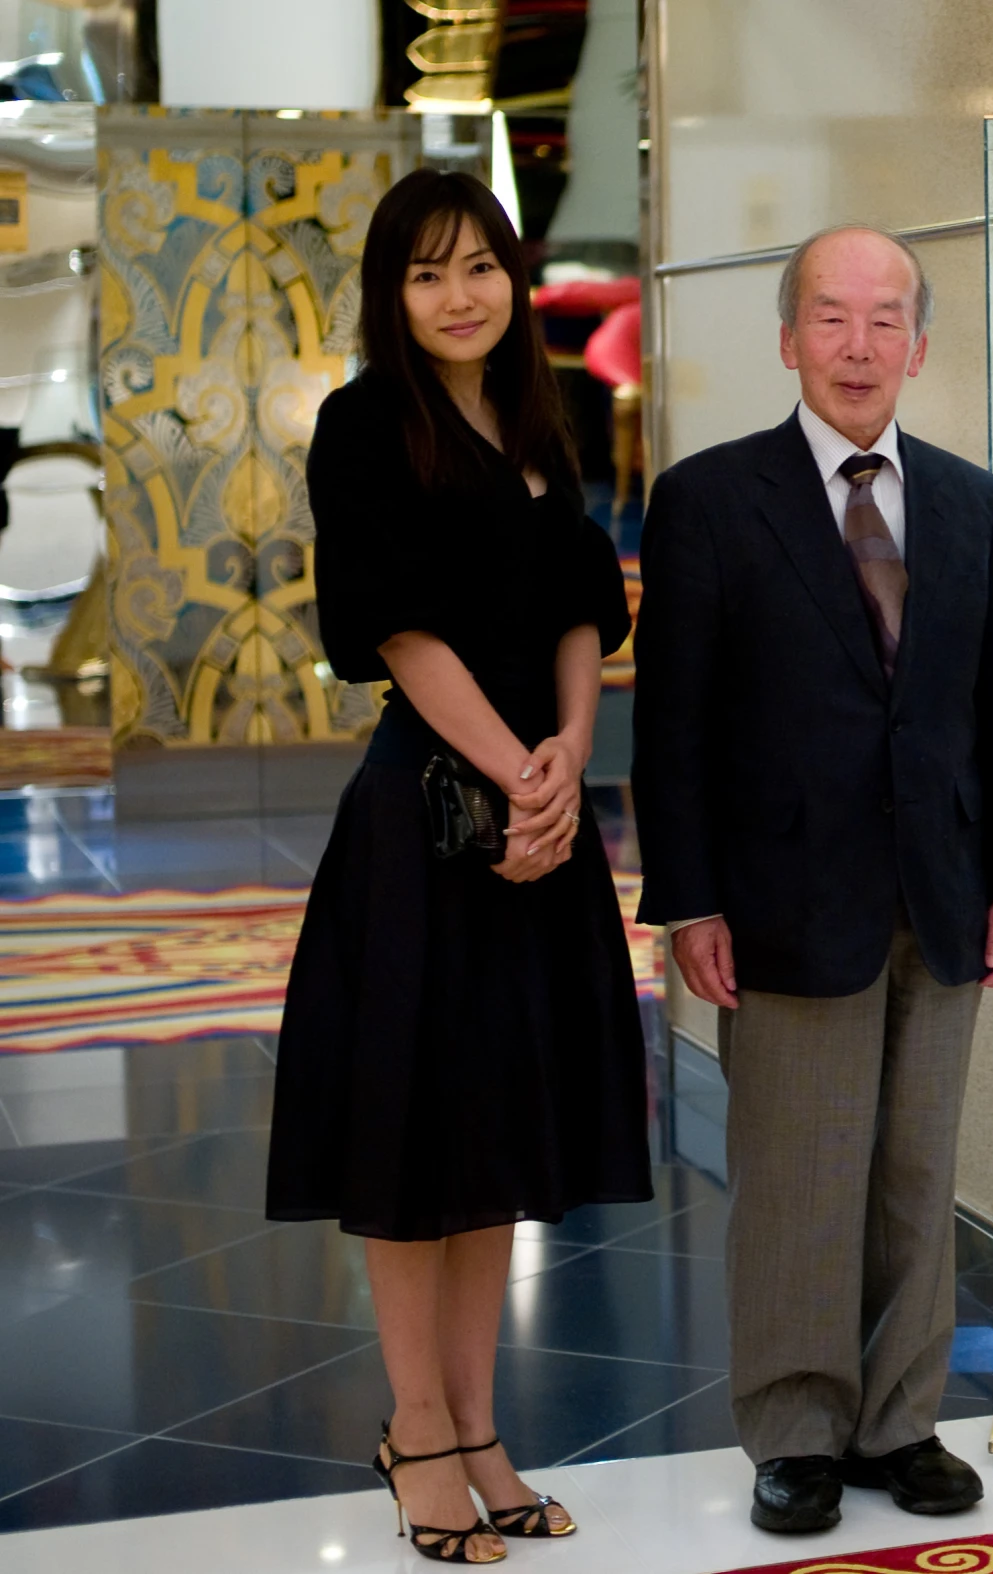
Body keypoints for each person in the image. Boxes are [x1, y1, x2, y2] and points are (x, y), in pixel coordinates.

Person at [631, 224, 993, 1537]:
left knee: (920, 1167)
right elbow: (675, 726)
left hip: (943, 884)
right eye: (832, 318)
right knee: (803, 1171)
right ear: (788, 338)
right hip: (780, 898)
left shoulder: (974, 502)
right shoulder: (709, 499)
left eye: (885, 321)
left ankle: (899, 1417)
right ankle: (798, 1426)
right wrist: (688, 896)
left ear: (919, 344)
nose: (859, 345)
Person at [265, 169, 650, 1565]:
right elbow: (399, 629)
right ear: (393, 293)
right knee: (411, 1138)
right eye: (428, 273)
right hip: (422, 820)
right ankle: (416, 1425)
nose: (460, 294)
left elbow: (580, 606)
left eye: (479, 263)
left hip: (532, 812)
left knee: (493, 1139)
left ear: (512, 271)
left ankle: (484, 1428)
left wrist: (567, 755)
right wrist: (514, 769)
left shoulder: (555, 411)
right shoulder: (366, 427)